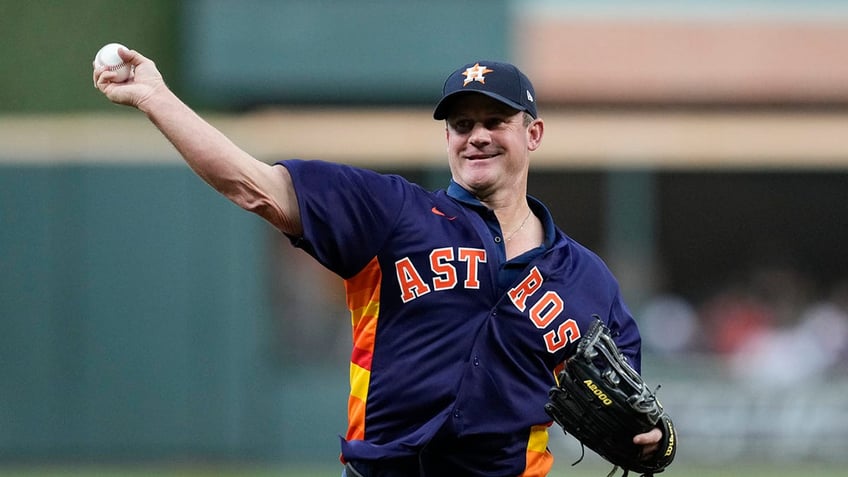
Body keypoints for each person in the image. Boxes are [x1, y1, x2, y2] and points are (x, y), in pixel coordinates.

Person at [94, 49, 662, 477]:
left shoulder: (586, 279)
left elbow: (633, 410)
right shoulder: (393, 213)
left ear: (532, 133)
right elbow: (255, 187)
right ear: (446, 137)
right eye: (462, 125)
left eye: (496, 121)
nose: (477, 137)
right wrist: (155, 98)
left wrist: (657, 442)